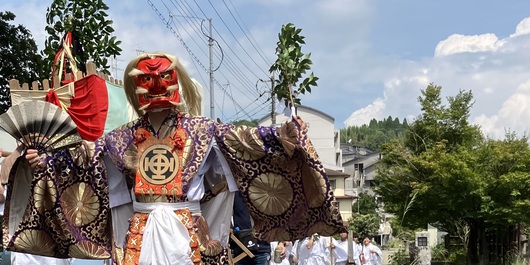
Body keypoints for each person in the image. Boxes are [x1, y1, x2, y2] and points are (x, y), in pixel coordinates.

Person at [3, 52, 345, 265]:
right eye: (147, 81)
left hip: (190, 230)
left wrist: (277, 135)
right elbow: (85, 159)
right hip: (139, 228)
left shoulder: (201, 130)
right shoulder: (122, 137)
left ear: (175, 84)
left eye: (162, 79)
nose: (155, 88)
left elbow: (243, 140)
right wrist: (48, 163)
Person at [0, 149, 72, 265]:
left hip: (55, 248)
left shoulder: (64, 159)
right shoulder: (13, 162)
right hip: (24, 249)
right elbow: (2, 196)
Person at [232, 191, 271, 265]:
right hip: (241, 248)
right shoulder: (234, 190)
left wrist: (280, 242)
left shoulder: (264, 191)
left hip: (262, 248)